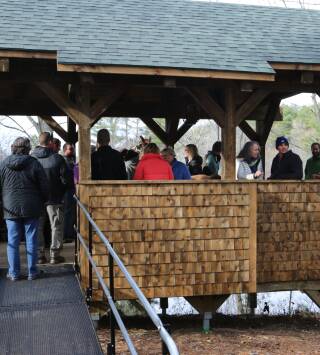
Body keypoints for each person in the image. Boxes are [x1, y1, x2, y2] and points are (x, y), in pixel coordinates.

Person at [0, 137, 48, 280]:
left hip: (10, 208)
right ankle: (32, 272)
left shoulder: (3, 164)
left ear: (13, 148)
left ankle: (14, 273)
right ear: (27, 149)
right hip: (31, 207)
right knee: (31, 239)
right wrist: (43, 200)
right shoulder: (34, 164)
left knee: (12, 241)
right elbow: (44, 186)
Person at [32, 132, 72, 264]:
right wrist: (61, 192)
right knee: (56, 226)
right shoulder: (57, 158)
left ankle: (39, 255)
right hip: (54, 197)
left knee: (38, 227)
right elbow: (67, 180)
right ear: (50, 142)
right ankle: (55, 255)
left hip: (37, 198)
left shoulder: (31, 158)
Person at [63, 143, 76, 242]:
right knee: (67, 212)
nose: (72, 151)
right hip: (67, 189)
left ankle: (70, 232)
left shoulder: (72, 160)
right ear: (64, 150)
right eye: (70, 149)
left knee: (72, 212)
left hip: (72, 188)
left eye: (73, 149)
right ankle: (67, 234)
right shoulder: (63, 161)